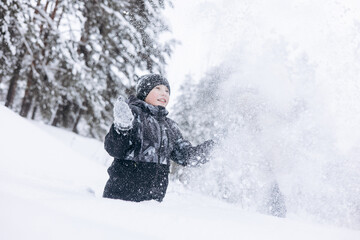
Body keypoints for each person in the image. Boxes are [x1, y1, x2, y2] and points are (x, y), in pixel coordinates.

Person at [103, 74, 214, 202]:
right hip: (121, 197)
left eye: (167, 91)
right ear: (144, 92)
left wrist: (214, 148)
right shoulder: (133, 114)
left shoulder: (170, 126)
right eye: (158, 88)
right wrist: (122, 128)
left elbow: (186, 156)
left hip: (152, 203)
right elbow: (115, 149)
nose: (164, 94)